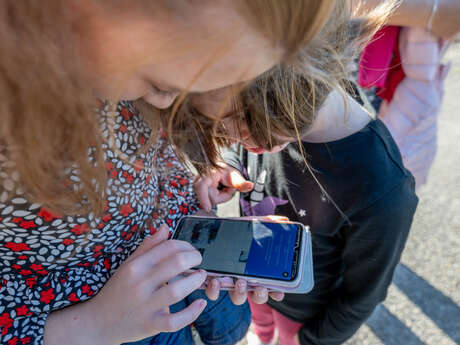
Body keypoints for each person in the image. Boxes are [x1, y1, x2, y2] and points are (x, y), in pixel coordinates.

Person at [0, 1, 348, 344]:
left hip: (183, 250)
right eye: (163, 87)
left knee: (230, 329)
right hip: (94, 318)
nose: (166, 105)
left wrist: (208, 220)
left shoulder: (125, 60)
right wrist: (92, 325)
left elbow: (151, 153)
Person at [193, 64, 418, 345]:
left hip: (302, 314)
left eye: (235, 118)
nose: (231, 135)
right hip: (253, 281)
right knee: (260, 326)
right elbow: (237, 147)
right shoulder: (269, 124)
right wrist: (227, 163)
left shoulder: (383, 190)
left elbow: (363, 295)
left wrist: (311, 340)